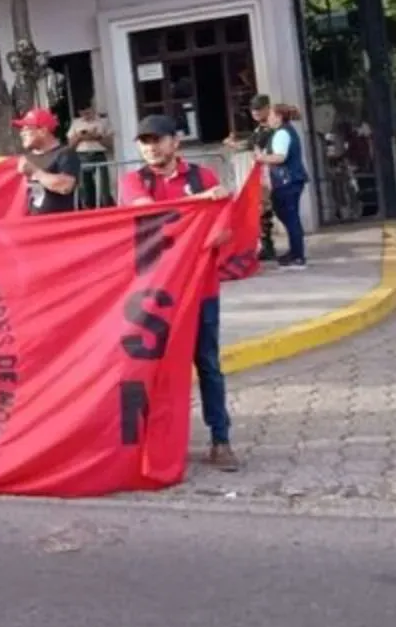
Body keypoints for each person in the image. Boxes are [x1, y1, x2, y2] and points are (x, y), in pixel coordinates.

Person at [118, 114, 239, 472]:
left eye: (157, 140)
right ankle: (151, 441)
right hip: (150, 296)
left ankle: (221, 439)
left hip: (200, 292)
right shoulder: (132, 181)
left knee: (208, 364)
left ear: (175, 142)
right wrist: (200, 204)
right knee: (146, 368)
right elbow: (147, 214)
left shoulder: (204, 176)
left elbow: (221, 232)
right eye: (144, 141)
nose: (150, 147)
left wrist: (207, 213)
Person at [253, 102, 309, 269]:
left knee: (291, 217)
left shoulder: (282, 134)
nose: (268, 119)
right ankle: (295, 250)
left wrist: (261, 158)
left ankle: (298, 256)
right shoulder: (283, 132)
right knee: (285, 214)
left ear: (278, 117)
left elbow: (280, 157)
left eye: (270, 115)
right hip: (287, 180)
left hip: (288, 180)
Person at [225, 94, 279, 260]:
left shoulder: (268, 129)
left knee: (264, 209)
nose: (255, 112)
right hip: (261, 171)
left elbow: (251, 144)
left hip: (267, 172)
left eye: (259, 108)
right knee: (261, 209)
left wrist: (232, 144)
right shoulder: (260, 129)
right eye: (253, 109)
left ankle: (268, 246)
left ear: (267, 108)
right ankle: (265, 244)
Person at [13, 108, 81, 215]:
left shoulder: (65, 153)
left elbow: (65, 186)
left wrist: (35, 172)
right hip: (31, 224)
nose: (22, 134)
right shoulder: (27, 158)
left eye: (26, 129)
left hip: (57, 224)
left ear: (43, 131)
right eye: (21, 130)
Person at [67, 106, 114, 209]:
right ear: (79, 112)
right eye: (83, 113)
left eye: (88, 112)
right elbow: (70, 146)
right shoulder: (76, 123)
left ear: (93, 109)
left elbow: (110, 145)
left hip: (98, 154)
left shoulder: (103, 122)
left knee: (103, 186)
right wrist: (79, 137)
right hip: (82, 156)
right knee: (86, 186)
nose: (86, 115)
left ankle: (106, 207)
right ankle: (90, 208)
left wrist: (97, 137)